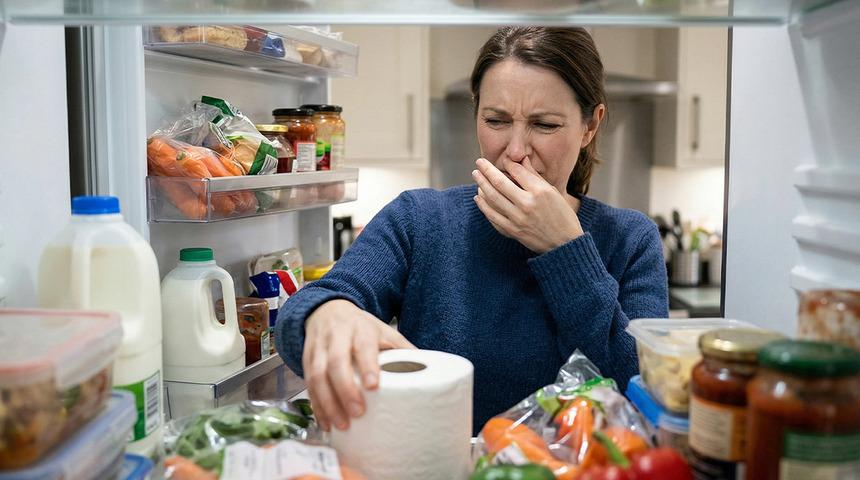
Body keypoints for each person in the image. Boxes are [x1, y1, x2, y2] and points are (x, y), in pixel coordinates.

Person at [275, 26, 668, 435]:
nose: (516, 150)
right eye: (496, 120)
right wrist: (326, 312)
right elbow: (301, 318)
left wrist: (567, 249)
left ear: (589, 126)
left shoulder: (630, 239)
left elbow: (644, 392)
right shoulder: (419, 219)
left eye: (545, 125)